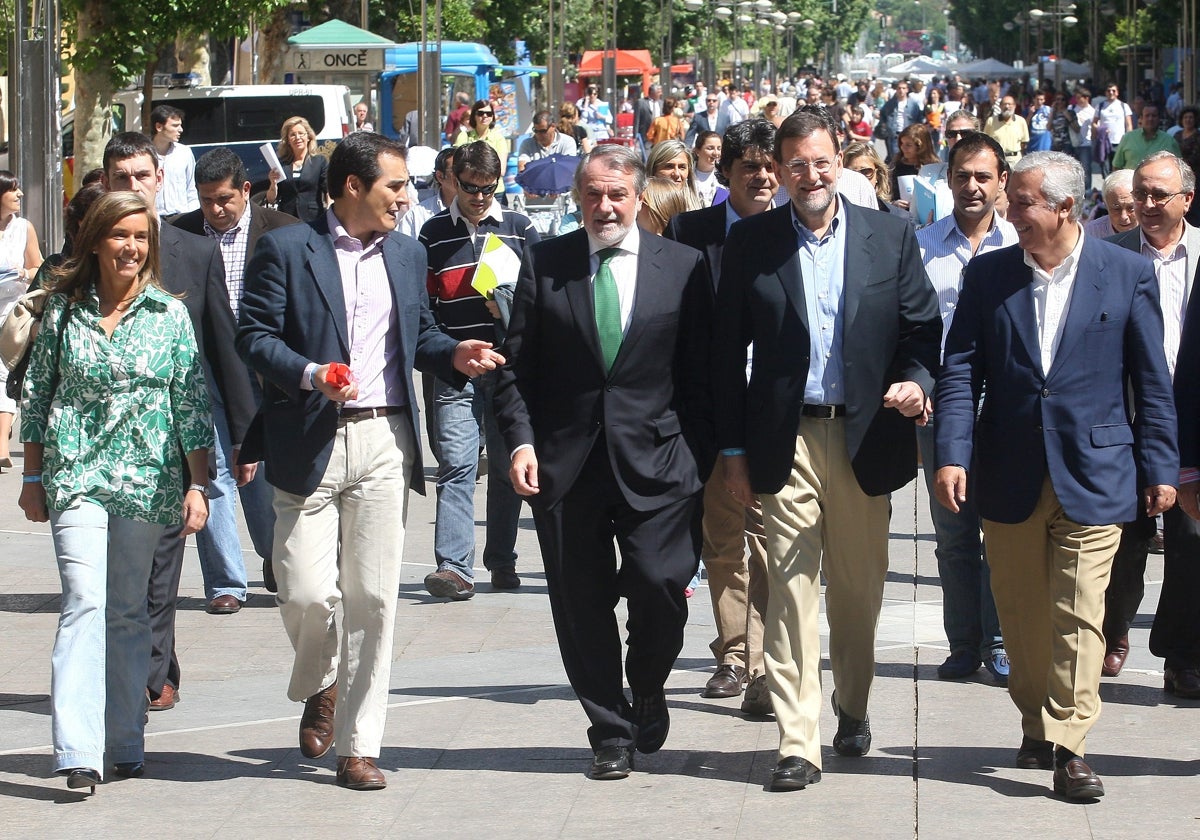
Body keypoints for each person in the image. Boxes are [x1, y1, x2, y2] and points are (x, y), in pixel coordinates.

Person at [237, 131, 504, 790]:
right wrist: (308, 373)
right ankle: (322, 677)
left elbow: (419, 336)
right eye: (395, 186)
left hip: (385, 441)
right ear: (354, 186)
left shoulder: (409, 255)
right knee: (304, 591)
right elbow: (254, 336)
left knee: (376, 600)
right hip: (309, 438)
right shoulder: (287, 249)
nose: (407, 197)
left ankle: (359, 746)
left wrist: (453, 355)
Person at [934, 151, 1178, 800]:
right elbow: (960, 372)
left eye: (1021, 202)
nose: (1007, 212)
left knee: (1079, 613)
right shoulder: (988, 279)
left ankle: (1071, 744)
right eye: (1010, 200)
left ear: (1066, 208)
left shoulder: (1125, 274)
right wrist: (952, 454)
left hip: (1097, 471)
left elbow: (1150, 383)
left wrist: (1161, 467)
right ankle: (1036, 719)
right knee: (1020, 617)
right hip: (1009, 470)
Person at [713, 108, 941, 792]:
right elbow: (725, 356)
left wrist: (916, 382)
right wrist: (731, 452)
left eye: (821, 162)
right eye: (796, 165)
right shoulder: (751, 244)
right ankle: (797, 740)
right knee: (788, 589)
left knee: (857, 591)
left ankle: (854, 704)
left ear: (839, 161)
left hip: (867, 437)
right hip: (785, 438)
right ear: (778, 171)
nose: (809, 176)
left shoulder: (888, 234)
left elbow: (922, 329)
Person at [494, 144, 714, 781]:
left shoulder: (684, 267)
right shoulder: (546, 263)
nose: (604, 206)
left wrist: (704, 460)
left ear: (639, 197)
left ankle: (647, 681)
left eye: (616, 194)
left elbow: (702, 373)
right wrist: (521, 441)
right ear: (578, 198)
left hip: (663, 462)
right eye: (592, 194)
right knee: (580, 602)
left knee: (660, 584)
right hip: (570, 464)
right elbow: (516, 370)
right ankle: (610, 729)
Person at [18, 191, 214, 793]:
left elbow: (191, 405)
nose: (132, 247)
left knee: (129, 610)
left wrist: (199, 485)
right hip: (76, 474)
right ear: (97, 240)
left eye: (141, 236)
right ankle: (77, 750)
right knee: (83, 602)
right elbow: (38, 394)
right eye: (120, 235)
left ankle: (124, 738)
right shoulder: (61, 312)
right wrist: (31, 476)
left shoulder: (169, 315)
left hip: (148, 481)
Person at [100, 131, 256, 712]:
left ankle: (154, 670)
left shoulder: (193, 249)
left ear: (159, 179)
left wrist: (244, 435)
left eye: (142, 176)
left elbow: (223, 346)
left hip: (173, 439)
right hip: (98, 444)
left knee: (162, 567)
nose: (132, 186)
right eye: (121, 178)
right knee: (115, 570)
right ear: (106, 181)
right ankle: (135, 663)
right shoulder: (85, 251)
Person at [664, 117, 779, 717]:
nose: (761, 177)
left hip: (774, 410)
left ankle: (760, 659)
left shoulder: (794, 230)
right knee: (722, 539)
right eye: (749, 167)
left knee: (766, 540)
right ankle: (733, 653)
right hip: (710, 408)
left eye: (769, 167)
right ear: (725, 173)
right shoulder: (692, 230)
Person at [172, 147, 300, 601]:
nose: (216, 209)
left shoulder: (284, 231)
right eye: (207, 200)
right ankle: (225, 583)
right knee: (214, 471)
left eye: (224, 198)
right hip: (206, 370)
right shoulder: (181, 234)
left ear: (246, 190)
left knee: (263, 473)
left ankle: (275, 556)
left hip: (271, 371)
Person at [915, 132, 1017, 684]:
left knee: (1000, 529)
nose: (972, 186)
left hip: (1005, 409)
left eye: (984, 176)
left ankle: (998, 639)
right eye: (962, 175)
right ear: (947, 180)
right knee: (954, 533)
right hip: (941, 406)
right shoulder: (923, 244)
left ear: (1002, 180)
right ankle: (961, 643)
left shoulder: (1019, 244)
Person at [419, 141, 540, 599]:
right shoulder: (432, 235)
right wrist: (447, 351)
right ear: (454, 180)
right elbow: (423, 308)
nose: (479, 198)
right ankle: (454, 567)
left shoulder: (520, 228)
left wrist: (507, 304)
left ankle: (502, 560)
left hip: (507, 369)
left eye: (488, 189)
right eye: (471, 188)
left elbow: (543, 296)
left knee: (512, 464)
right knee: (456, 464)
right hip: (456, 369)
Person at [1102, 152, 1200, 695]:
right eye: (1140, 194)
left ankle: (1182, 655)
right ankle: (1112, 634)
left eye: (1160, 195)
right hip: (1126, 416)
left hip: (1191, 415)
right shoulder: (1107, 255)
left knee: (1190, 538)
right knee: (1124, 538)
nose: (1147, 205)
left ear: (1188, 197)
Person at [0, 170, 43, 469]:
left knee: (3, 372)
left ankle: (1, 445)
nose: (19, 195)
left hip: (13, 311)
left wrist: (22, 273)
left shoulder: (24, 228)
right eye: (13, 190)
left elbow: (37, 265)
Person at [266, 116, 329, 224]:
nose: (297, 137)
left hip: (313, 219)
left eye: (301, 133)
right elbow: (271, 199)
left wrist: (330, 210)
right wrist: (273, 184)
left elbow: (328, 190)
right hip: (287, 218)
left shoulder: (319, 162)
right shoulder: (282, 164)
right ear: (288, 140)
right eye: (292, 135)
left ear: (308, 137)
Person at [149, 105, 199, 219]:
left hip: (181, 217)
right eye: (175, 126)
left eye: (180, 125)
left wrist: (192, 215)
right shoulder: (144, 154)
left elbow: (192, 188)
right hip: (154, 218)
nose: (180, 129)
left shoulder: (184, 153)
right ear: (159, 127)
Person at [453, 100, 509, 201]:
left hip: (495, 192)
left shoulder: (499, 138)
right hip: (469, 191)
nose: (484, 116)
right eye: (480, 113)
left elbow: (501, 170)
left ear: (492, 117)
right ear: (474, 115)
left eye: (488, 113)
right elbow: (457, 166)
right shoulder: (464, 136)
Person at [399, 147, 457, 239]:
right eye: (456, 170)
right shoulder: (417, 215)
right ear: (440, 176)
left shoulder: (479, 210)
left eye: (465, 170)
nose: (462, 175)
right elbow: (403, 249)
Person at [1111, 105, 1180, 171]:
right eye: (1147, 116)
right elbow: (1117, 166)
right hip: (1130, 182)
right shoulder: (1128, 138)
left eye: (1154, 116)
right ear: (1141, 118)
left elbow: (1178, 168)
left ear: (1159, 119)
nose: (1150, 119)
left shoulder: (1169, 141)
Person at [890, 123, 939, 211]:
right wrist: (894, 203)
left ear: (921, 147)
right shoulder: (896, 166)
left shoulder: (934, 167)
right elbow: (886, 193)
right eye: (901, 143)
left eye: (908, 145)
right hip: (900, 215)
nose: (903, 148)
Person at [1082, 169, 1138, 239]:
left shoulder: (1153, 233)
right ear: (1105, 205)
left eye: (1131, 208)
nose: (1124, 217)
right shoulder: (1092, 233)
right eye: (1116, 209)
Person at [877, 79, 923, 160]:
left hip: (909, 135)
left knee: (909, 157)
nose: (901, 90)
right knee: (895, 158)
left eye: (903, 88)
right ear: (896, 89)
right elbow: (882, 116)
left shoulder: (913, 105)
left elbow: (919, 120)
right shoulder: (890, 104)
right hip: (894, 136)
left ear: (907, 90)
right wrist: (884, 126)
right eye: (899, 88)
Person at [1094, 83, 1134, 176]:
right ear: (1105, 93)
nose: (1111, 92)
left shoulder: (1124, 106)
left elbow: (1128, 124)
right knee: (1105, 168)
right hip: (1105, 141)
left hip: (1120, 141)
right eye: (1108, 91)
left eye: (1113, 90)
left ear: (1117, 93)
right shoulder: (1100, 106)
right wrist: (1100, 129)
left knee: (1118, 168)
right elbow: (1094, 122)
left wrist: (1129, 139)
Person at [842, 141, 893, 208]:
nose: (860, 178)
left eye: (866, 172)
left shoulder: (894, 215)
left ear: (877, 175)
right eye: (853, 173)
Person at [985, 95, 1030, 165]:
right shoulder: (991, 121)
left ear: (1015, 106)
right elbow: (986, 142)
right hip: (997, 159)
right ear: (1000, 106)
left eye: (1009, 104)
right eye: (1004, 104)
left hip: (1015, 160)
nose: (1007, 106)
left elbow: (1024, 143)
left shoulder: (1021, 121)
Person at [1068, 88, 1096, 181]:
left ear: (1087, 98)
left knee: (1086, 169)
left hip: (1086, 144)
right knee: (1072, 170)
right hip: (1072, 143)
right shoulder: (1071, 109)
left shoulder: (1092, 111)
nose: (1077, 100)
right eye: (1076, 98)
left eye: (1079, 98)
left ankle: (1087, 191)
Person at [692, 130, 724, 207]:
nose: (716, 153)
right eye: (710, 148)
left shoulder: (725, 177)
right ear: (697, 151)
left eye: (719, 149)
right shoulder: (686, 176)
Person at [634, 84, 665, 152]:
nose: (661, 94)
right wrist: (635, 136)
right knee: (646, 157)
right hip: (645, 135)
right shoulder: (641, 102)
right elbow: (636, 120)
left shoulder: (661, 103)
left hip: (659, 136)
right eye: (658, 92)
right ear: (652, 93)